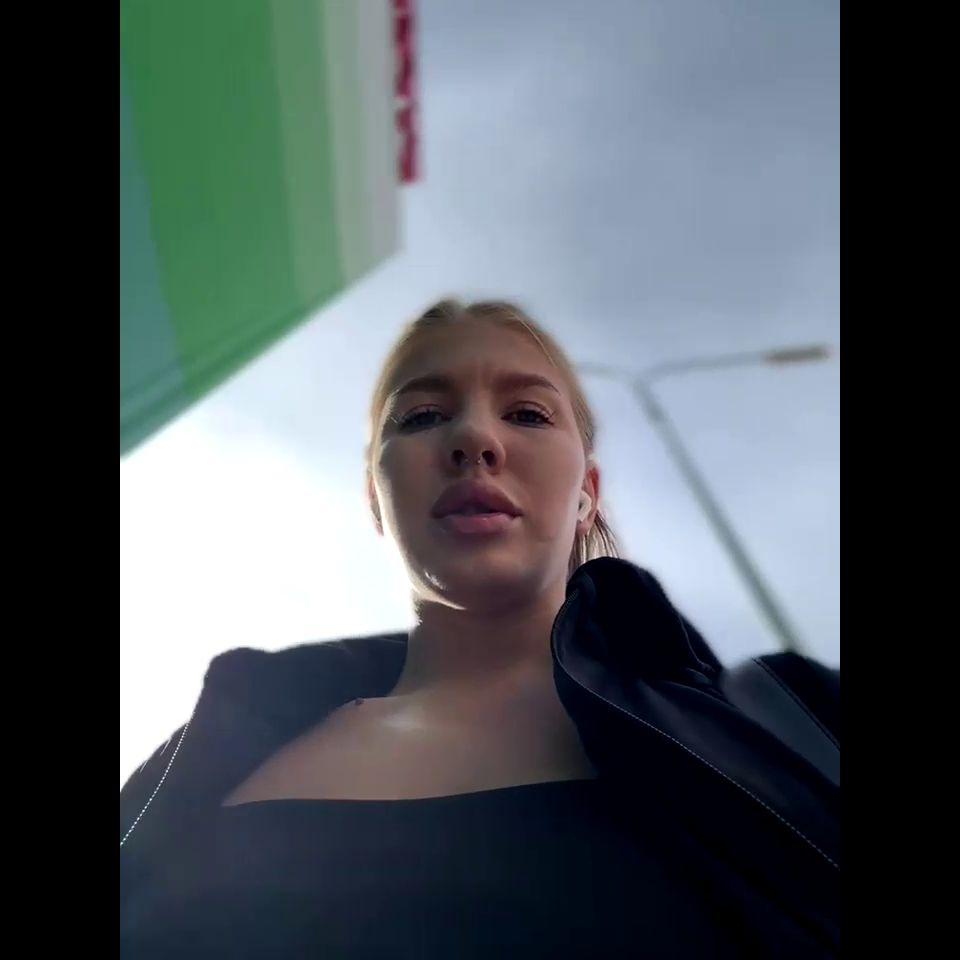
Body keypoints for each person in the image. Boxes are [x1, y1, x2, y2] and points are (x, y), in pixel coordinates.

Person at [120, 299, 840, 958]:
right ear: (375, 496)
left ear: (587, 495)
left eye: (527, 413)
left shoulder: (792, 720)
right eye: (421, 417)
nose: (474, 438)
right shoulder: (213, 739)